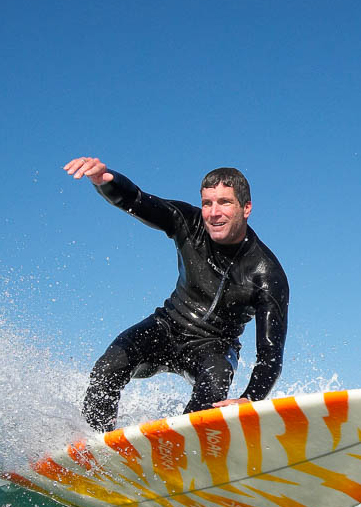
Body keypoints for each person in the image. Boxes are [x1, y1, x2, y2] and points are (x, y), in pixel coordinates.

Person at [63, 157, 289, 432]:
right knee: (108, 367)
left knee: (212, 393)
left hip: (214, 345)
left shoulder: (267, 274)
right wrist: (105, 180)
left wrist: (250, 399)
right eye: (207, 203)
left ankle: (184, 452)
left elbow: (270, 355)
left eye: (225, 203)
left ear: (246, 208)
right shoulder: (189, 223)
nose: (213, 212)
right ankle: (96, 442)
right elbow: (139, 200)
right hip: (167, 326)